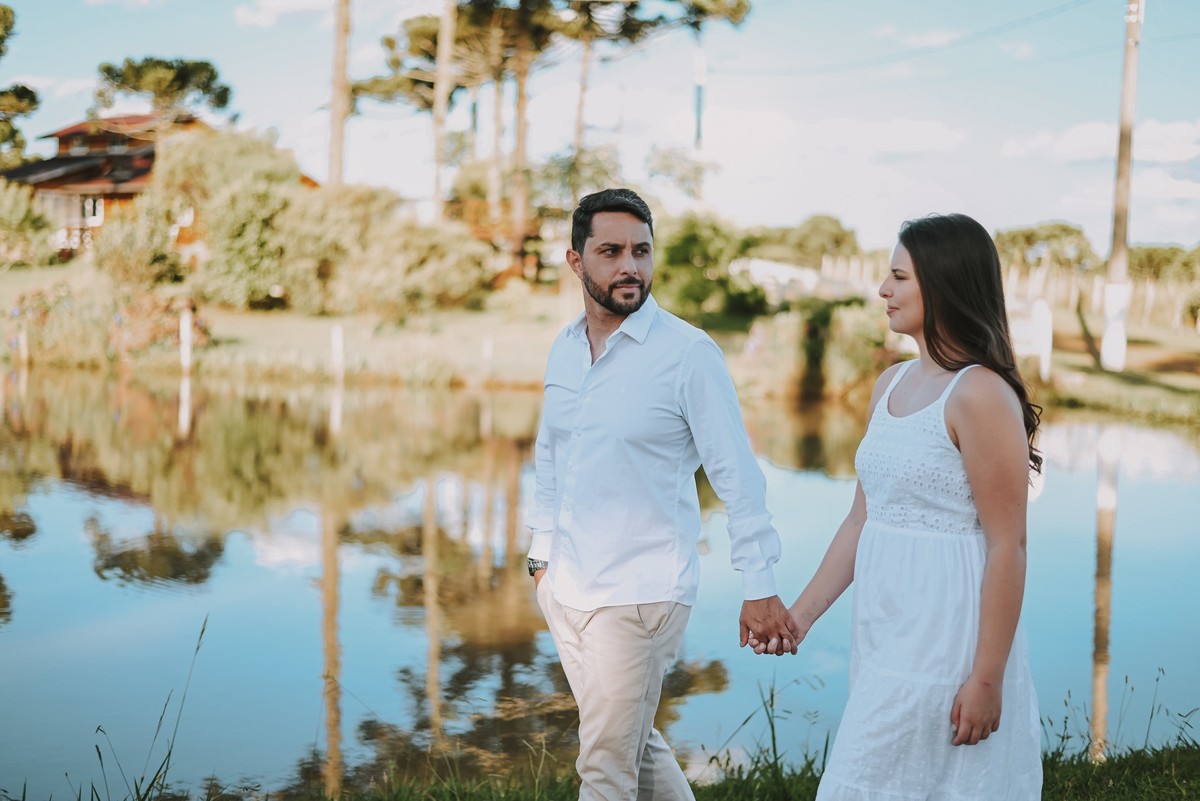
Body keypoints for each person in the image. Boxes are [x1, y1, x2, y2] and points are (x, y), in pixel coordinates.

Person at [751, 213, 1044, 798]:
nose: (883, 289)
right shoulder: (890, 385)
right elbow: (862, 519)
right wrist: (800, 618)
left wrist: (987, 678)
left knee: (865, 781)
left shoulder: (980, 393)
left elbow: (1008, 545)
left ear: (944, 285)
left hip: (949, 630)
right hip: (886, 623)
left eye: (899, 277)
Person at [527, 187, 800, 801]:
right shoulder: (564, 348)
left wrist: (759, 585)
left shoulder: (688, 355)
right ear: (576, 261)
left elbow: (739, 479)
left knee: (604, 768)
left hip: (640, 594)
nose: (630, 266)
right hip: (566, 583)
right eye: (611, 252)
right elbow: (552, 454)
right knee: (633, 742)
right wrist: (540, 556)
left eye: (642, 251)